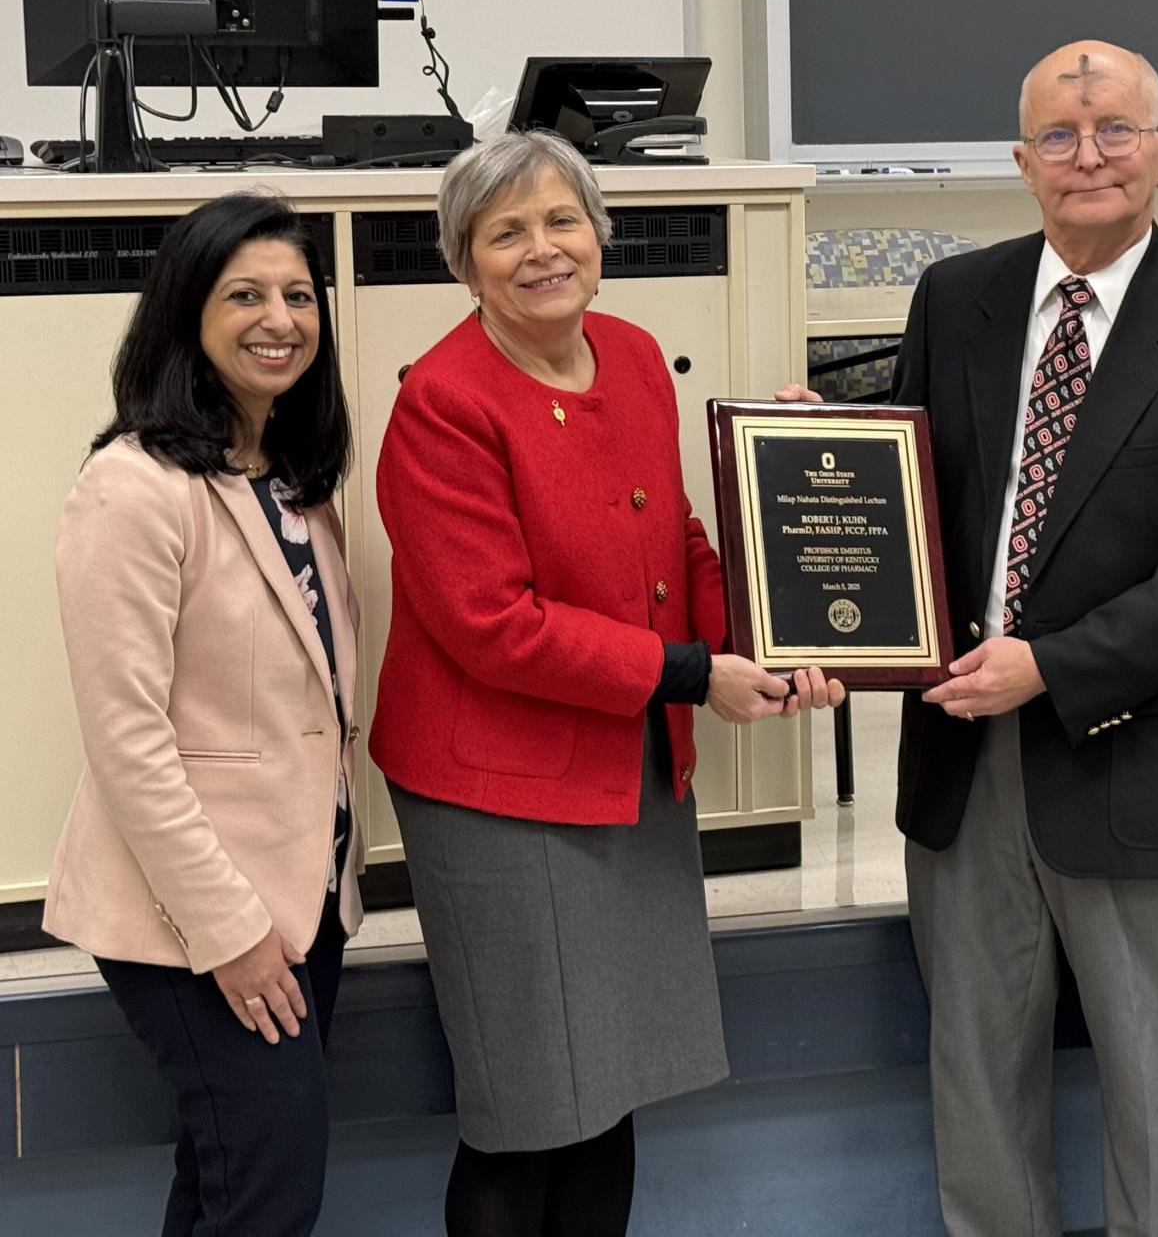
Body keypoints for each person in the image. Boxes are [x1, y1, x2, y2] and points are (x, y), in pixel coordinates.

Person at [783, 40, 1158, 1236]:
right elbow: (918, 490)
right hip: (962, 753)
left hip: (1128, 753)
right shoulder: (954, 296)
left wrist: (1052, 664)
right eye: (1058, 136)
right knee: (976, 1081)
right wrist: (821, 455)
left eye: (1116, 130)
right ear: (1021, 162)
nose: (1088, 156)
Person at [369, 129, 843, 1237]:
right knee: (524, 1113)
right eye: (506, 232)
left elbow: (674, 542)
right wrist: (695, 676)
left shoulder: (631, 355)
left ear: (600, 234)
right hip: (498, 795)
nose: (542, 250)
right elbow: (494, 628)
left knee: (605, 1090)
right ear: (463, 259)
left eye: (562, 220)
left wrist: (767, 640)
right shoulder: (442, 402)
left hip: (623, 778)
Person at [46, 192, 362, 1237]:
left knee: (232, 1179)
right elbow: (128, 742)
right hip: (194, 917)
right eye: (245, 295)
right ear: (187, 312)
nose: (280, 317)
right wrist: (230, 933)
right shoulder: (132, 485)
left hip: (303, 894)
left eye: (297, 295)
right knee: (268, 1191)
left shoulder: (297, 483)